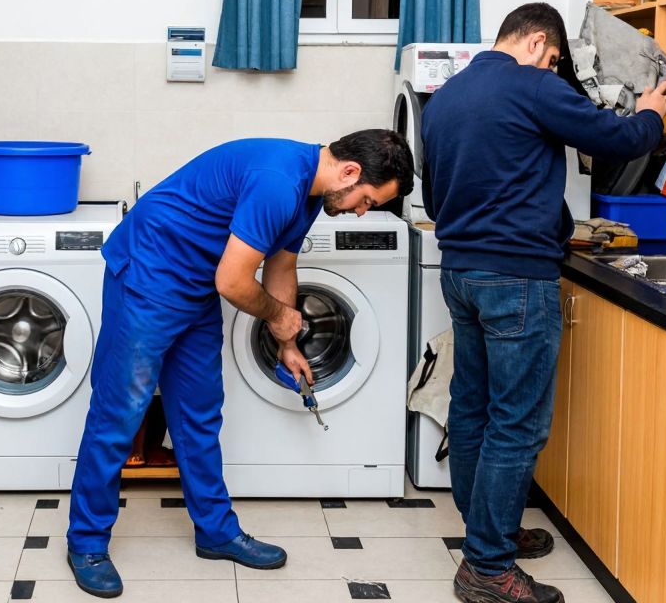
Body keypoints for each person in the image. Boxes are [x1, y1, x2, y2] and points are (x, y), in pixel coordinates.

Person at [66, 130, 415, 598]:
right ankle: (86, 544)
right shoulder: (278, 182)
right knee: (119, 413)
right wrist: (279, 314)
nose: (360, 211)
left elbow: (281, 267)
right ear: (350, 173)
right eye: (368, 200)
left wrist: (286, 342)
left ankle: (216, 532)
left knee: (200, 413)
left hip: (196, 285)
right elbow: (233, 281)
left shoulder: (309, 194)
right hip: (149, 276)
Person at [420, 3, 666, 603]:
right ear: (535, 43)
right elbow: (615, 137)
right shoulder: (533, 85)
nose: (556, 70)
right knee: (517, 425)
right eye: (555, 59)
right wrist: (652, 114)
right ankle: (486, 566)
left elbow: (434, 193)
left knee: (473, 408)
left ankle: (486, 532)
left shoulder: (445, 98)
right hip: (516, 280)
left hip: (460, 273)